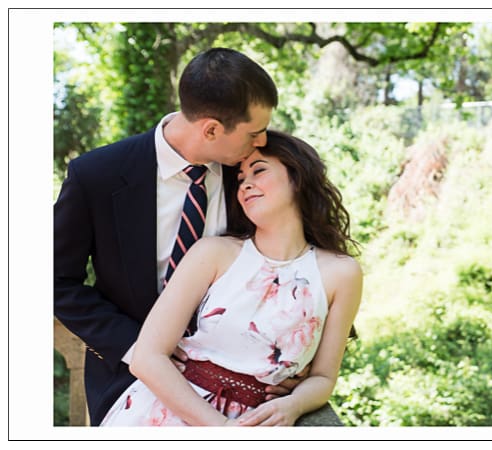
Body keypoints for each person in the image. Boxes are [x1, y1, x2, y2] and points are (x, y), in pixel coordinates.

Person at [53, 48, 294, 425]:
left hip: (241, 383)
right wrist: (136, 347)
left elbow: (298, 247)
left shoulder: (251, 173)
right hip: (128, 379)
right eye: (255, 132)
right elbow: (54, 281)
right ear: (211, 129)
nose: (263, 142)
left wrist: (301, 357)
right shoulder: (96, 175)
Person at [100, 131, 363, 426]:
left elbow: (324, 378)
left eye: (259, 170)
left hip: (257, 423)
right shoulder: (214, 253)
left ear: (298, 177)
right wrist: (223, 430)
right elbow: (147, 358)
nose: (246, 183)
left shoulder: (342, 273)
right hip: (167, 413)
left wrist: (293, 405)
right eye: (240, 179)